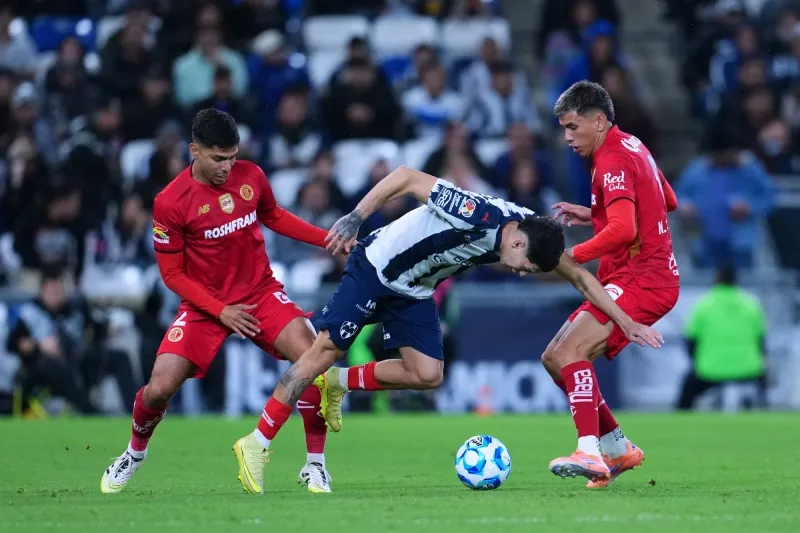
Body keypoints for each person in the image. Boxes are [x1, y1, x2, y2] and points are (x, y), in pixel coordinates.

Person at [229, 164, 665, 488]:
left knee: (427, 373)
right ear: (516, 241)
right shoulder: (475, 212)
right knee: (323, 351)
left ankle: (337, 385)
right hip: (376, 268)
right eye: (525, 266)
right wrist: (357, 216)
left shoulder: (532, 231)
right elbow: (406, 177)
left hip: (414, 289)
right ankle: (257, 442)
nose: (520, 272)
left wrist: (625, 321)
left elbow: (582, 278)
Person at [100, 109, 339, 495]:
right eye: (218, 158)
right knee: (159, 388)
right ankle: (134, 453)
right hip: (204, 307)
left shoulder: (252, 176)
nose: (227, 167)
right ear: (194, 150)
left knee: (313, 360)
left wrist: (327, 238)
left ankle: (315, 465)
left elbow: (275, 216)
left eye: (232, 157)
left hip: (260, 294)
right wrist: (220, 310)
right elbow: (172, 275)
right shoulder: (170, 202)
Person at [546, 80, 680, 487]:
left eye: (573, 127)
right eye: (564, 129)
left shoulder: (611, 160)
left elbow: (624, 230)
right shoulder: (632, 145)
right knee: (554, 359)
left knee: (570, 351)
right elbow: (666, 200)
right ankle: (618, 449)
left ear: (599, 121)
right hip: (637, 274)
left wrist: (572, 256)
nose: (568, 137)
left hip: (642, 279)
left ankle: (589, 451)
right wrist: (596, 213)